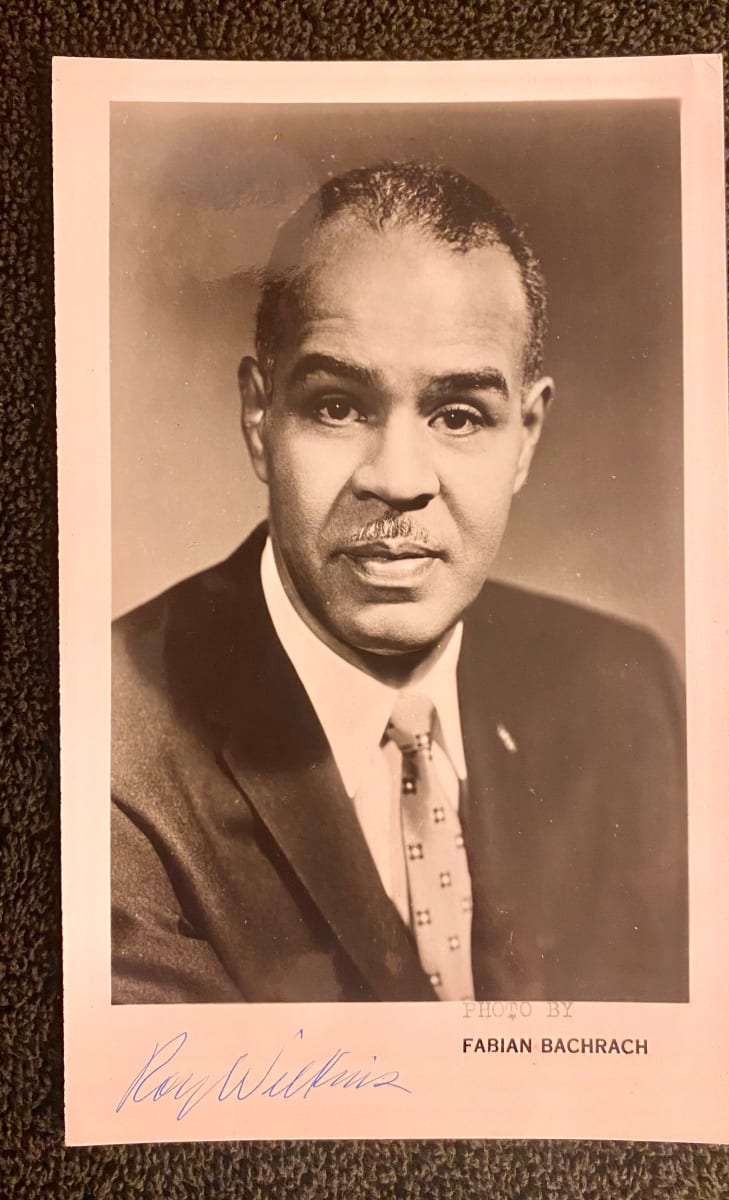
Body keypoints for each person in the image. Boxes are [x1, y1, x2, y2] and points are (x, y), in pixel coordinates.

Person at [111, 162, 687, 1005]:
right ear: (259, 420)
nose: (398, 477)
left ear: (524, 437)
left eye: (459, 416)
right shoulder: (104, 748)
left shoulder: (630, 693)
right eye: (339, 405)